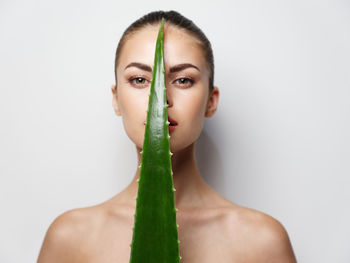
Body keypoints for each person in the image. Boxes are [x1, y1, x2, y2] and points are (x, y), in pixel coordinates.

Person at [37, 10, 297, 262]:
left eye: (183, 80)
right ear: (116, 99)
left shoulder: (262, 242)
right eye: (139, 80)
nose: (160, 100)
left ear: (211, 101)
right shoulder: (69, 238)